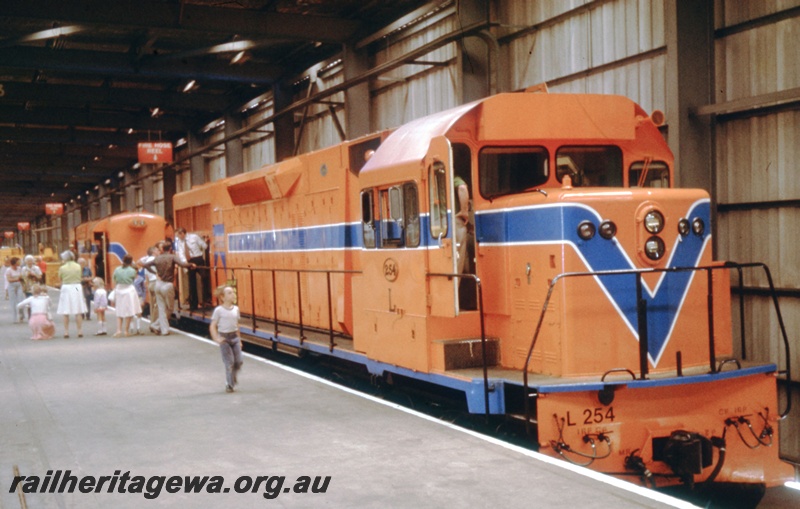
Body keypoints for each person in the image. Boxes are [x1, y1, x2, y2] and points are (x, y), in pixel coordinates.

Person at [139, 240, 195, 336]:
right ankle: (157, 326)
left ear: (162, 249)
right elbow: (182, 264)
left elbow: (145, 265)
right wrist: (191, 265)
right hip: (168, 285)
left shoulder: (157, 258)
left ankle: (162, 328)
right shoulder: (172, 257)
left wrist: (154, 273)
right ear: (170, 249)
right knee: (170, 308)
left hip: (158, 284)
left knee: (161, 308)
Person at [209, 285, 243, 393]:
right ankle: (229, 384)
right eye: (229, 293)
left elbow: (237, 325)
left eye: (233, 292)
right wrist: (216, 338)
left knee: (239, 361)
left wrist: (239, 339)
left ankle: (232, 377)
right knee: (229, 362)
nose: (233, 294)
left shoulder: (236, 309)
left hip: (235, 337)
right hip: (225, 338)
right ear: (222, 297)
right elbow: (212, 326)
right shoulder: (219, 310)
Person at [176, 227, 209, 310]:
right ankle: (193, 304)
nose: (178, 237)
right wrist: (186, 263)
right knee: (191, 283)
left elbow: (204, 246)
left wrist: (204, 243)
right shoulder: (180, 242)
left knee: (204, 278)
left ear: (182, 233)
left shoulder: (194, 237)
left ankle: (205, 300)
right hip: (189, 261)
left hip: (198, 258)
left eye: (178, 235)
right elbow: (181, 253)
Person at [56, 250, 87, 338]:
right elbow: (80, 276)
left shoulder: (62, 268)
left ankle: (66, 331)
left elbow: (60, 279)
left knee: (66, 310)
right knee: (78, 310)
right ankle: (79, 330)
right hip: (76, 286)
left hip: (66, 287)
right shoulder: (78, 266)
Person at [111, 255, 142, 337]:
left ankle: (118, 330)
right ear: (131, 262)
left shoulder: (117, 269)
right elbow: (133, 279)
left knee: (119, 310)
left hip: (119, 289)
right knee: (129, 310)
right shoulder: (132, 271)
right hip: (129, 290)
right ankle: (126, 331)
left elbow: (114, 279)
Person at [138, 245, 160, 332]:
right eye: (157, 250)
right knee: (157, 305)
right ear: (153, 252)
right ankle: (155, 324)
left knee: (152, 305)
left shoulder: (146, 261)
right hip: (156, 282)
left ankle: (152, 323)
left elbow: (146, 275)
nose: (159, 251)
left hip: (150, 283)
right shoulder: (155, 260)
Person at [453, 174, 470, 275]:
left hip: (440, 223)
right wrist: (464, 211)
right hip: (455, 221)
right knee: (458, 261)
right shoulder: (453, 179)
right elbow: (462, 188)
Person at [20, 255, 43, 319]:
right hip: (27, 287)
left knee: (36, 301)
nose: (29, 262)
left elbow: (40, 277)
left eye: (31, 261)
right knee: (29, 301)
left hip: (35, 287)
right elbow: (21, 278)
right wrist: (23, 286)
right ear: (26, 262)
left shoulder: (36, 268)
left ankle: (36, 315)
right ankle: (30, 316)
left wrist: (34, 275)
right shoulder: (24, 269)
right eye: (28, 261)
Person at [6, 257, 25, 322]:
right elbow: (9, 279)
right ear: (14, 263)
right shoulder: (9, 270)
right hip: (12, 286)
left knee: (20, 300)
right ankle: (14, 317)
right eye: (18, 262)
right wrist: (17, 279)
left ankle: (21, 315)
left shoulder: (19, 269)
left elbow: (22, 277)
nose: (19, 263)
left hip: (19, 285)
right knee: (13, 302)